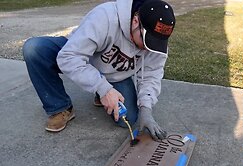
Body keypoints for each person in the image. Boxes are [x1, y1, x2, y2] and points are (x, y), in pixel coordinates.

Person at [22, 0, 175, 140]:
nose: (147, 48)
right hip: (83, 55)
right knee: (34, 49)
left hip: (115, 74)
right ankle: (60, 107)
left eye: (154, 43)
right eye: (146, 41)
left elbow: (151, 75)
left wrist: (146, 109)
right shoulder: (105, 16)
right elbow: (69, 57)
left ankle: (101, 92)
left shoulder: (156, 43)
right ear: (136, 21)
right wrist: (103, 88)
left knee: (128, 119)